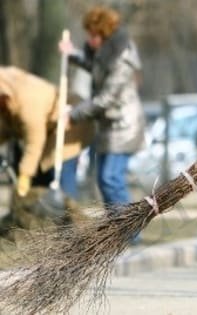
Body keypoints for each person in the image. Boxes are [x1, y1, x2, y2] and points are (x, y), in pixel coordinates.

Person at [59, 5, 145, 210]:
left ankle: (129, 232)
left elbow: (106, 98)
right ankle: (116, 231)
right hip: (109, 126)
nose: (89, 40)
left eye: (93, 35)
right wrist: (71, 55)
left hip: (124, 126)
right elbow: (94, 68)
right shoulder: (104, 54)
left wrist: (74, 114)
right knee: (103, 180)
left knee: (110, 178)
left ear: (104, 34)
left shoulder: (122, 59)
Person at [0, 66, 93, 199]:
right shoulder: (9, 97)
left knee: (59, 170)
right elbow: (6, 129)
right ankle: (48, 214)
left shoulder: (28, 102)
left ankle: (72, 214)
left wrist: (25, 175)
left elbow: (34, 143)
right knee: (41, 173)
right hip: (50, 128)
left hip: (70, 123)